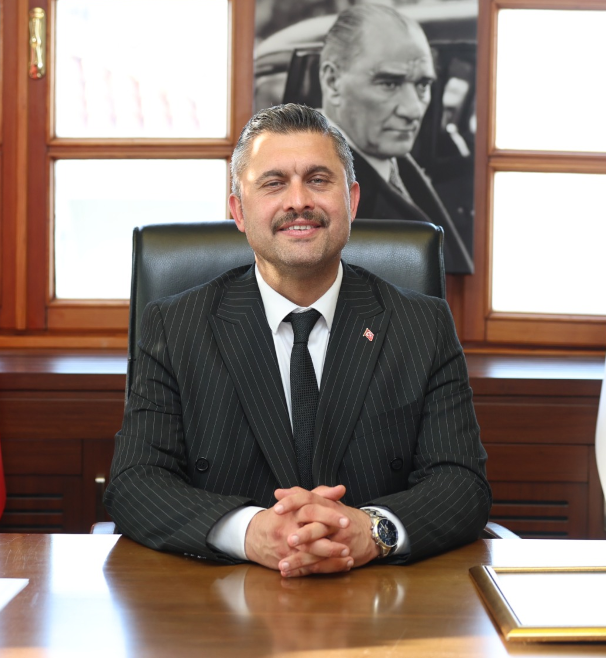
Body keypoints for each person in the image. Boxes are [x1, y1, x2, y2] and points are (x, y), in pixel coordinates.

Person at [104, 104, 490, 576]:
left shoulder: (422, 324)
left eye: (318, 180)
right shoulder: (175, 326)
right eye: (273, 183)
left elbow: (462, 482)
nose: (298, 201)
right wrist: (250, 532)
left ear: (352, 200)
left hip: (381, 598)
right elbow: (135, 481)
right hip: (222, 597)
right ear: (238, 210)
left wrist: (371, 531)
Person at [317, 3, 474, 274]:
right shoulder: (318, 192)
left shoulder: (389, 161)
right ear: (333, 83)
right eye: (389, 84)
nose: (413, 110)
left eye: (423, 85)